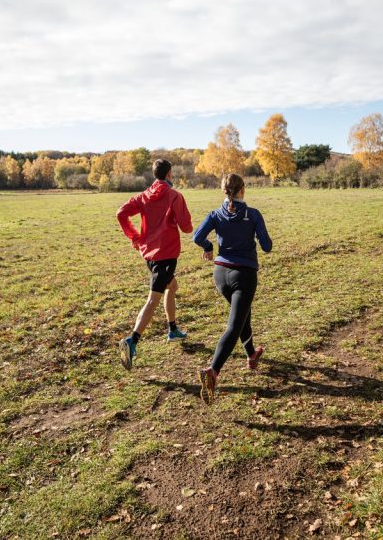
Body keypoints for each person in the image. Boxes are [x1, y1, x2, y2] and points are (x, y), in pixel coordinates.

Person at [192, 173, 272, 403]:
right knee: (234, 325)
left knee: (243, 314)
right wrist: (255, 237)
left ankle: (251, 356)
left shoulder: (215, 214)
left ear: (224, 191)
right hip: (243, 275)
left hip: (221, 275)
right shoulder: (253, 214)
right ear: (242, 190)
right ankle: (213, 371)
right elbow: (267, 246)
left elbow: (197, 236)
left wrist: (208, 245)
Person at [115, 159, 194, 370]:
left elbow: (121, 213)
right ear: (169, 174)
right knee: (153, 300)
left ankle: (173, 329)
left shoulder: (143, 196)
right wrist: (182, 221)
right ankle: (132, 341)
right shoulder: (174, 196)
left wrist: (135, 237)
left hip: (149, 255)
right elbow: (187, 228)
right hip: (165, 256)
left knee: (173, 286)